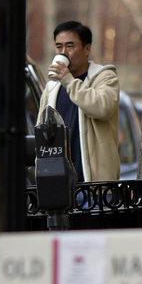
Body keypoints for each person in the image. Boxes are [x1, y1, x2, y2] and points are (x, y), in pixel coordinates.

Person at [38, 20, 120, 182]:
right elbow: (41, 132)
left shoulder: (104, 77)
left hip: (96, 187)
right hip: (59, 186)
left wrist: (68, 80)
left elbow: (101, 108)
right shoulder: (52, 87)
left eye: (70, 46)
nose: (63, 53)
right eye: (59, 47)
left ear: (87, 49)